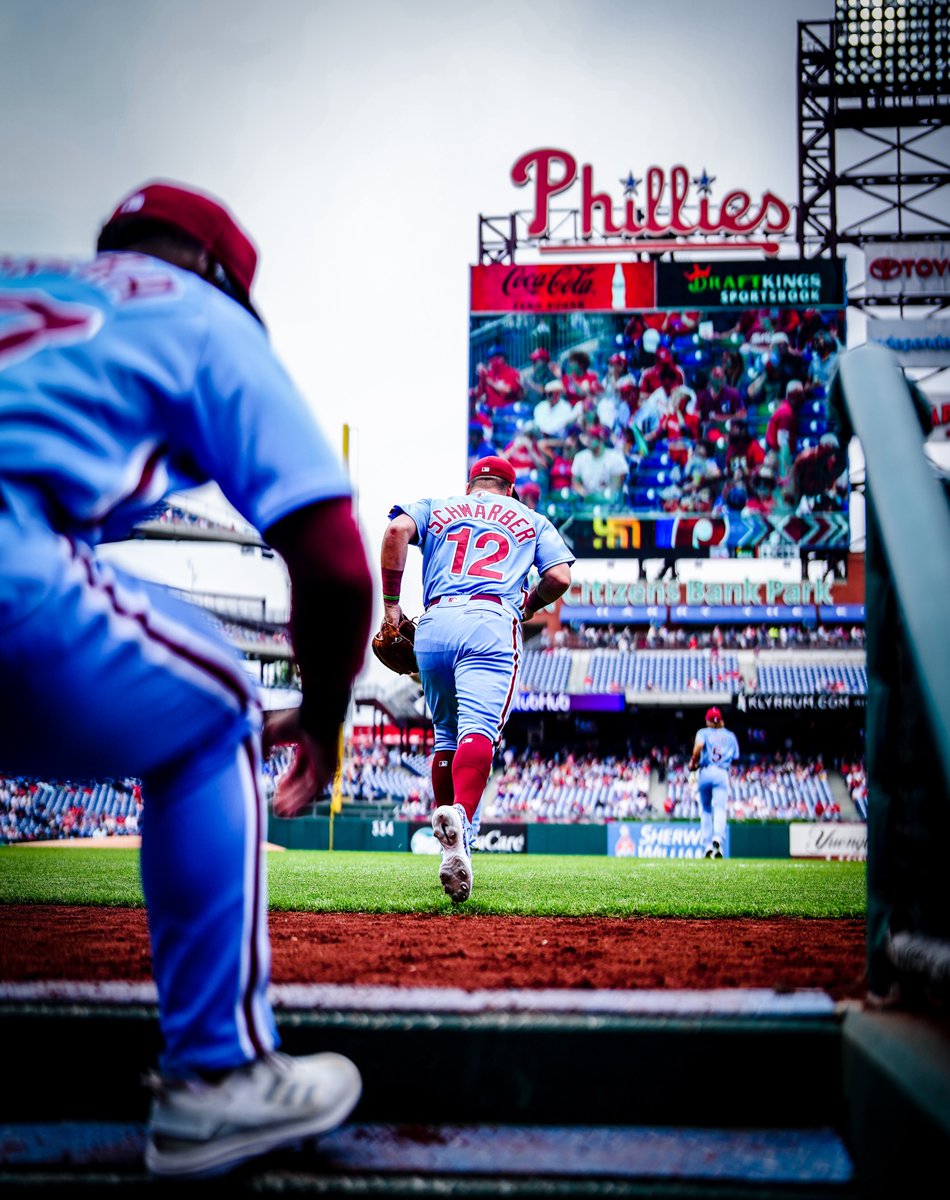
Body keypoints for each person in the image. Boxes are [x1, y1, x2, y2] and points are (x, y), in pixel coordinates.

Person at [0, 181, 373, 1178]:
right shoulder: (195, 310)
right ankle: (217, 1080)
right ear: (217, 270)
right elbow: (335, 560)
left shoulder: (26, 282)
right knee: (217, 706)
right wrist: (327, 721)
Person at [379, 455, 573, 903]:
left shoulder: (439, 504)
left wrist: (392, 608)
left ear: (471, 485)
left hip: (434, 622)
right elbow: (559, 576)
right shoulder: (530, 518)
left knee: (445, 736)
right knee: (479, 731)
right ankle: (461, 818)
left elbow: (394, 532)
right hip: (490, 618)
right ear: (511, 489)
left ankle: (455, 849)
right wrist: (528, 604)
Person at [688, 707, 740, 858]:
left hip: (705, 771)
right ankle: (718, 838)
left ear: (708, 720)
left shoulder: (703, 732)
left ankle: (707, 845)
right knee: (720, 808)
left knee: (705, 810)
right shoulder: (730, 736)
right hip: (721, 773)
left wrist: (693, 763)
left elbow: (698, 747)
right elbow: (736, 758)